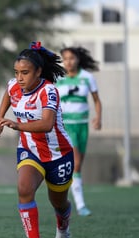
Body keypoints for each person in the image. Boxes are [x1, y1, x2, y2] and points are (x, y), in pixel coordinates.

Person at [0, 42, 74, 238]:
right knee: (24, 188)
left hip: (59, 154)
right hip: (30, 149)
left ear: (38, 71)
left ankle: (63, 226)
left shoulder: (49, 91)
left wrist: (17, 125)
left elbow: (46, 124)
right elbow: (8, 93)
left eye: (25, 73)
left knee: (59, 202)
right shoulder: (14, 86)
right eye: (16, 72)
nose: (19, 78)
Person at [56, 46, 102, 217]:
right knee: (75, 163)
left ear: (78, 59)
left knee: (77, 166)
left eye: (72, 58)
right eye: (65, 58)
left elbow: (97, 100)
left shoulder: (87, 77)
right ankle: (80, 204)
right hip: (65, 125)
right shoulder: (58, 78)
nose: (69, 61)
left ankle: (71, 200)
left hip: (82, 125)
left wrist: (98, 118)